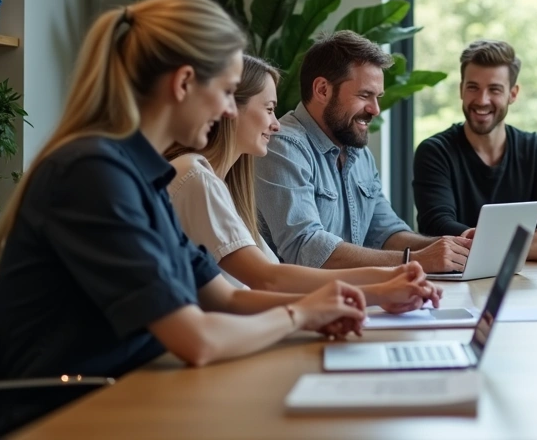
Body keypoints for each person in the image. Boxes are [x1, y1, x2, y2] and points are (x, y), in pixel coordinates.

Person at [0, 0, 373, 434]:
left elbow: (223, 298)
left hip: (128, 396)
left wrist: (321, 307)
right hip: (68, 417)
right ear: (184, 82)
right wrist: (300, 315)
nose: (228, 110)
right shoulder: (92, 173)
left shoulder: (143, 173)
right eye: (226, 91)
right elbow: (197, 339)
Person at [167, 55, 441, 312]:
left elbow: (267, 285)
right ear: (229, 108)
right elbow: (269, 280)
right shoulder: (196, 177)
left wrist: (389, 280)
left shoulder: (223, 186)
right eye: (269, 109)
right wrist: (380, 288)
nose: (276, 124)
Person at [257, 31, 469, 273]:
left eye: (378, 97)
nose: (376, 109)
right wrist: (416, 259)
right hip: (296, 296)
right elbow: (306, 248)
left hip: (355, 293)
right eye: (364, 95)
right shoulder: (282, 147)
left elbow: (386, 232)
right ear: (322, 90)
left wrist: (454, 247)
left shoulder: (359, 154)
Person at [413, 40, 537, 261]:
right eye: (473, 87)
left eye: (494, 89)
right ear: (461, 89)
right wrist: (524, 237)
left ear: (513, 94)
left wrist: (481, 241)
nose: (482, 100)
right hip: (459, 275)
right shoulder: (435, 151)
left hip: (527, 277)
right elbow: (437, 226)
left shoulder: (536, 149)